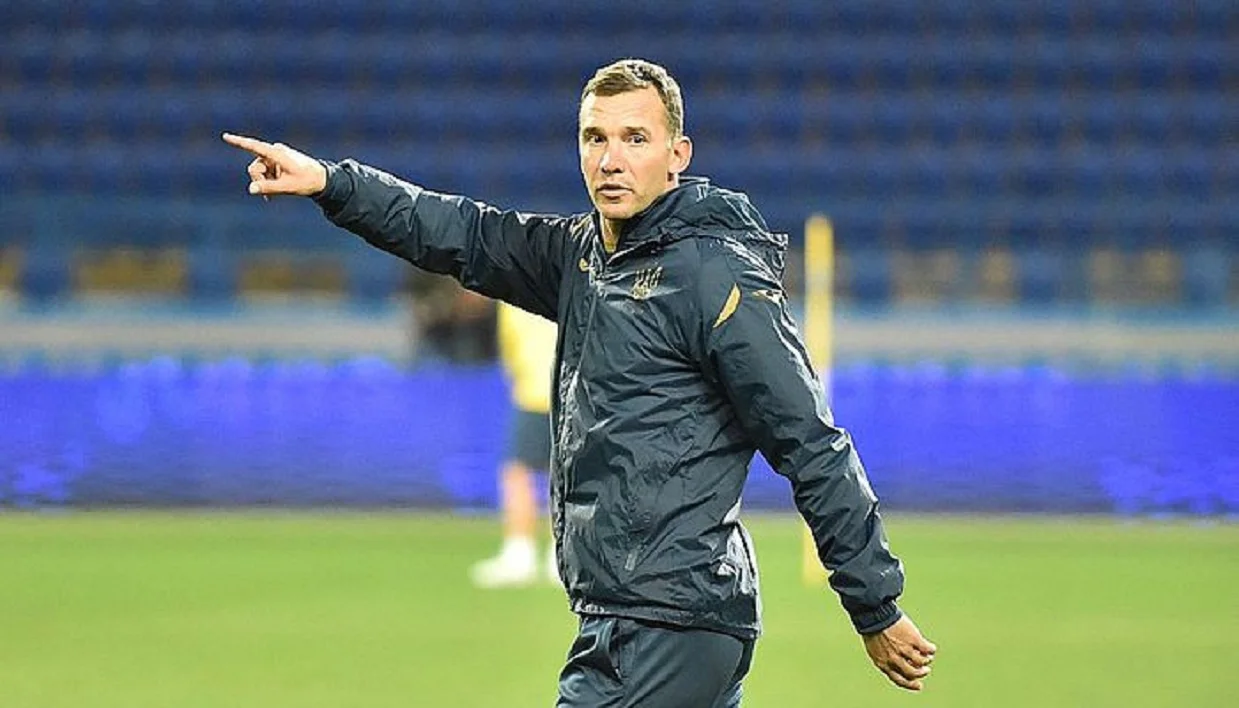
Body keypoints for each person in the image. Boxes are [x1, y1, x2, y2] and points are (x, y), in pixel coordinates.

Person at [224, 58, 936, 705]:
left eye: (634, 138)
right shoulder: (580, 257)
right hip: (630, 617)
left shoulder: (715, 276)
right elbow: (458, 231)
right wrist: (332, 183)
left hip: (669, 621)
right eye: (595, 138)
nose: (610, 158)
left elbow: (809, 441)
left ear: (677, 155)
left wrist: (873, 603)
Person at [471, 301, 559, 588]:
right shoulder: (575, 283)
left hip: (535, 391)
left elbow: (509, 345)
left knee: (518, 472)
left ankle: (521, 552)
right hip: (570, 388)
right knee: (565, 476)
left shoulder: (514, 293)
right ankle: (559, 554)